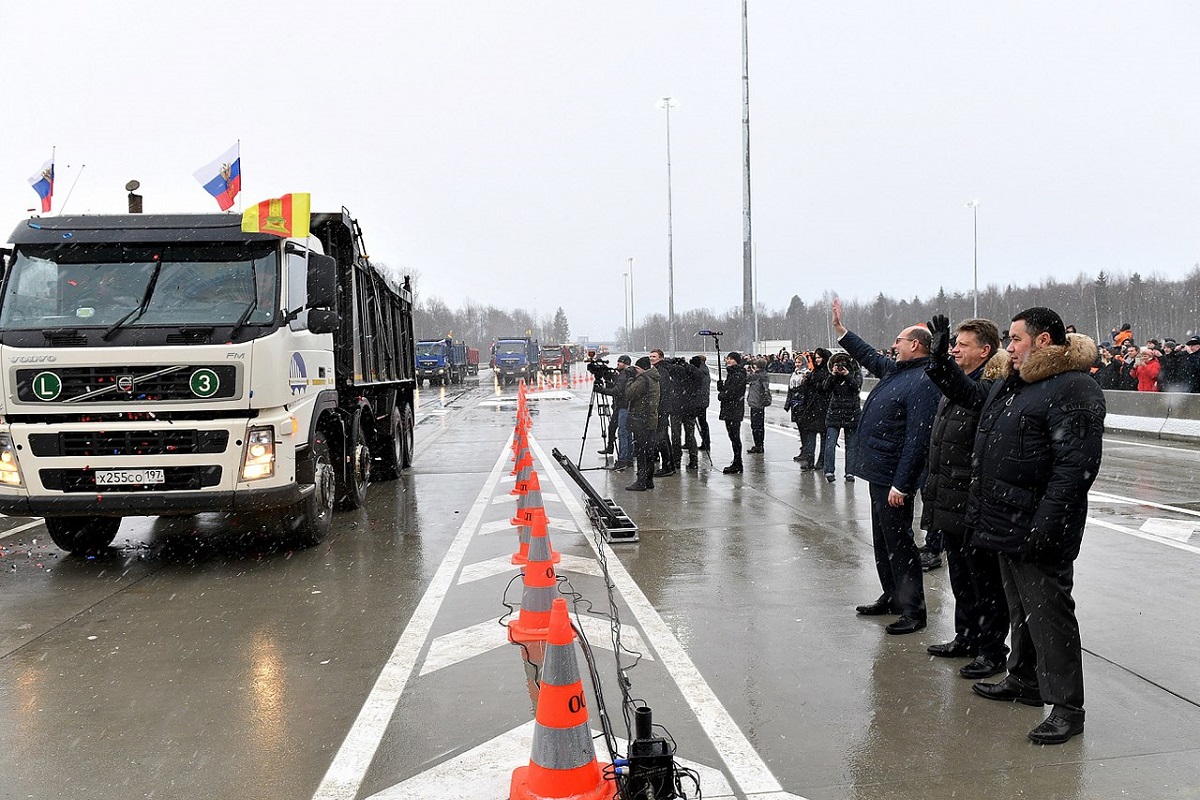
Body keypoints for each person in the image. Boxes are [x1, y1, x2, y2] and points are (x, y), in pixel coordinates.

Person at [966, 308, 1105, 745]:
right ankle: (1024, 680)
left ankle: (1067, 708)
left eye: (1015, 339)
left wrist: (1045, 528)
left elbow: (1075, 469)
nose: (1009, 348)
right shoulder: (1022, 383)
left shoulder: (1074, 387)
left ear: (1043, 340)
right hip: (1008, 521)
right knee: (1020, 610)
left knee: (1050, 617)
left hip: (1041, 527)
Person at [833, 297, 941, 635]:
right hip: (879, 472)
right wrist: (841, 332)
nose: (892, 346)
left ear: (915, 345)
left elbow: (917, 439)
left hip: (895, 476)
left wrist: (903, 483)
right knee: (883, 541)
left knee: (900, 544)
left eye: (898, 340)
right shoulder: (899, 371)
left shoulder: (924, 380)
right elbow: (868, 356)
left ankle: (913, 610)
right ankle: (892, 596)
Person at [921, 316, 1012, 681]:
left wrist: (940, 359)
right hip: (950, 497)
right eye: (952, 344)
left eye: (962, 344)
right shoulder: (957, 386)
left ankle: (992, 651)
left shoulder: (989, 387)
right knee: (960, 577)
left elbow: (963, 392)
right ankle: (967, 636)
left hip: (972, 500)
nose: (956, 348)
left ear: (985, 351)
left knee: (984, 582)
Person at [791, 348, 832, 472]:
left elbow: (826, 388)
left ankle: (821, 460)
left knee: (823, 437)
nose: (817, 360)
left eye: (820, 357)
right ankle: (810, 460)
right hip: (811, 408)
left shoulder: (829, 373)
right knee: (810, 436)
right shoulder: (813, 372)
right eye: (816, 358)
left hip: (823, 408)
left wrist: (814, 384)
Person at [823, 351, 861, 482]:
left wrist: (847, 375)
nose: (840, 367)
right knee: (830, 443)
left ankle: (850, 472)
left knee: (851, 445)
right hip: (835, 413)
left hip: (852, 412)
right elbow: (825, 389)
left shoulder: (855, 373)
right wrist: (833, 375)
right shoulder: (833, 376)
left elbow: (857, 388)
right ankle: (829, 470)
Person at [624, 356, 661, 492]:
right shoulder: (654, 377)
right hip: (651, 419)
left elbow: (629, 394)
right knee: (648, 451)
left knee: (641, 452)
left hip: (641, 419)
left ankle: (641, 481)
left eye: (637, 369)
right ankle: (648, 479)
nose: (635, 370)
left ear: (643, 369)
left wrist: (629, 379)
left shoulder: (643, 379)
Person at [594, 355, 635, 470]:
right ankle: (626, 457)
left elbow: (617, 391)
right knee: (616, 429)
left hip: (623, 407)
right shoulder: (623, 374)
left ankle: (623, 459)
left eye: (620, 362)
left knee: (623, 433)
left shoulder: (624, 375)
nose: (617, 363)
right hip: (621, 406)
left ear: (626, 363)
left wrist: (601, 390)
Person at [649, 349, 683, 477]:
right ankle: (670, 465)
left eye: (654, 356)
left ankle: (667, 466)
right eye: (650, 356)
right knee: (663, 437)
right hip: (665, 407)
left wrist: (656, 407)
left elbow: (661, 391)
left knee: (661, 437)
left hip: (662, 408)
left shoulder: (660, 371)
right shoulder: (663, 369)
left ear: (661, 357)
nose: (651, 358)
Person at [717, 352, 748, 474]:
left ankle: (737, 462)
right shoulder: (733, 373)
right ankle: (736, 461)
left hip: (733, 409)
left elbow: (733, 393)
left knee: (735, 437)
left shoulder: (737, 374)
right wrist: (722, 388)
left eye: (731, 359)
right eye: (728, 359)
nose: (728, 361)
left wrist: (722, 395)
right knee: (733, 436)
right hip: (731, 409)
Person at [745, 358, 772, 454]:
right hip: (758, 404)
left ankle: (758, 445)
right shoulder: (763, 375)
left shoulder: (757, 376)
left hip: (757, 404)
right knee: (759, 426)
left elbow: (746, 379)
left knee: (756, 426)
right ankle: (759, 444)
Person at [692, 354, 712, 452]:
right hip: (703, 400)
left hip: (699, 401)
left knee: (700, 423)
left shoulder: (700, 372)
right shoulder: (705, 371)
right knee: (703, 422)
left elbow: (698, 386)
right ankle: (706, 442)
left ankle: (705, 442)